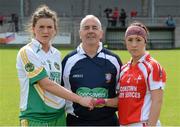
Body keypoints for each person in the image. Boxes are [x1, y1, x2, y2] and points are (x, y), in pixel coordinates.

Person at [16, 5, 93, 126]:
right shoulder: (27, 52)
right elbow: (46, 84)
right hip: (36, 118)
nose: (45, 31)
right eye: (41, 27)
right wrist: (80, 99)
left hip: (59, 116)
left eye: (49, 27)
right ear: (33, 29)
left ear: (55, 30)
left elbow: (60, 84)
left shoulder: (56, 54)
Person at [94, 21, 167, 126]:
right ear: (125, 42)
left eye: (138, 40)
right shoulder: (124, 69)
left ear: (145, 41)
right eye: (130, 40)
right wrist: (103, 101)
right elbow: (122, 100)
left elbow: (157, 101)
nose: (134, 44)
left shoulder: (153, 66)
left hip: (143, 124)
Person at [62, 15, 122, 126]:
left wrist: (103, 102)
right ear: (80, 33)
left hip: (108, 122)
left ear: (101, 33)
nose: (90, 31)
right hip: (76, 122)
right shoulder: (68, 61)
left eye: (94, 28)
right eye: (86, 28)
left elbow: (122, 96)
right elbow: (60, 92)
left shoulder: (114, 60)